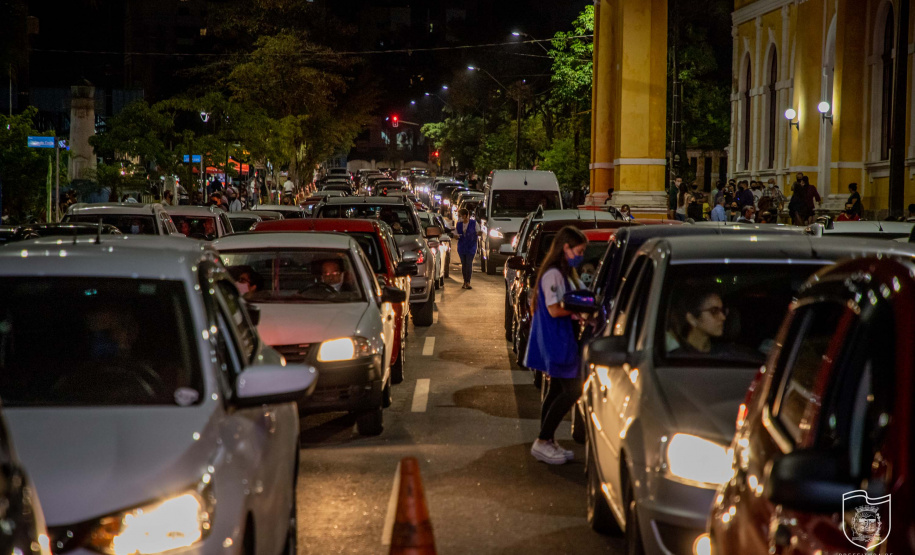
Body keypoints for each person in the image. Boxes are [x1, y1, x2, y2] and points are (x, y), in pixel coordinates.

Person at [526, 226, 588, 465]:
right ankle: (542, 441)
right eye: (579, 250)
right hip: (557, 339)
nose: (581, 255)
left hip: (564, 338)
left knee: (555, 391)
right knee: (573, 390)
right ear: (566, 248)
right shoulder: (553, 274)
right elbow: (554, 309)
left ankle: (547, 440)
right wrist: (580, 311)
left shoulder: (566, 273)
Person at [669, 289, 727, 354]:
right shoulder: (678, 357)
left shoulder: (726, 354)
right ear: (692, 319)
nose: (723, 317)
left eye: (723, 310)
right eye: (714, 311)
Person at [456, 208, 478, 289]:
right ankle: (465, 281)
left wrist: (478, 233)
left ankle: (468, 282)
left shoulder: (474, 223)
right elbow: (456, 234)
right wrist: (456, 236)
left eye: (460, 216)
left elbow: (478, 232)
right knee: (464, 265)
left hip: (471, 247)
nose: (459, 217)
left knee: (468, 264)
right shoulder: (458, 224)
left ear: (465, 216)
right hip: (462, 248)